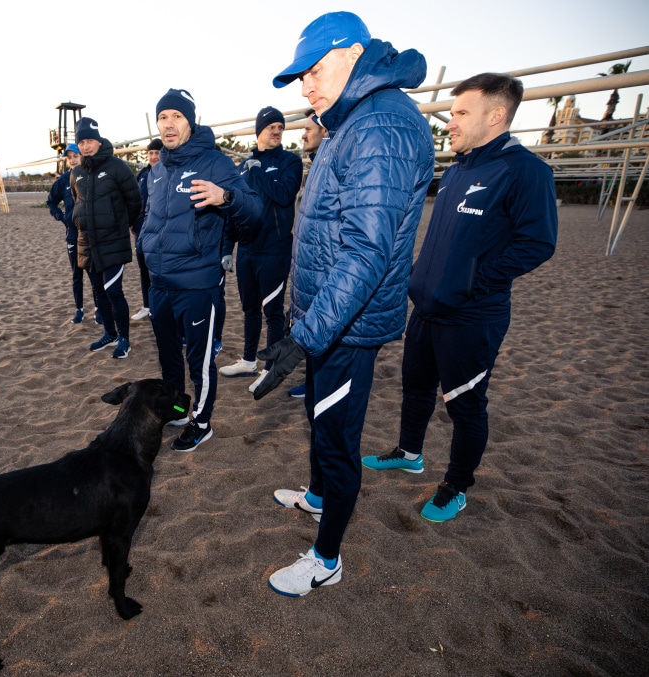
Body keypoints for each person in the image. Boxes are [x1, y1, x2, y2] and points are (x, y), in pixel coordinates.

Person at [252, 12, 434, 596]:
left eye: (313, 69)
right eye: (298, 75)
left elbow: (366, 251)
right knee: (319, 421)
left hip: (347, 324)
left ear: (353, 55)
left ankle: (326, 559)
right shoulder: (352, 121)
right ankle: (318, 497)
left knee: (336, 439)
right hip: (327, 315)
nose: (304, 85)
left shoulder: (379, 126)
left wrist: (304, 335)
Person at [361, 73, 557, 522]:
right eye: (452, 112)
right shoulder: (457, 170)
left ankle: (456, 485)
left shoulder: (525, 170)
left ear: (496, 116)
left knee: (465, 405)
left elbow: (537, 244)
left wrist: (470, 281)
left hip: (472, 316)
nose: (450, 122)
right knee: (414, 388)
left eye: (461, 113)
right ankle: (409, 453)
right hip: (427, 309)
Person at [137, 89, 262, 452]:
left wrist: (226, 197)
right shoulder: (157, 170)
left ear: (190, 121)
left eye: (176, 116)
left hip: (197, 284)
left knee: (199, 360)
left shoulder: (215, 164)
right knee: (168, 359)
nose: (169, 124)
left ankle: (202, 422)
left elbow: (254, 211)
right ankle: (177, 411)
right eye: (163, 117)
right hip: (159, 284)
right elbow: (151, 220)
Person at [219, 106, 303, 394]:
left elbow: (284, 195)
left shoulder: (290, 161)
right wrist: (228, 247)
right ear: (259, 132)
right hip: (248, 250)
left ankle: (270, 368)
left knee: (274, 311)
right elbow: (233, 209)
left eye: (280, 127)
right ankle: (248, 361)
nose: (277, 131)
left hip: (275, 249)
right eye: (271, 127)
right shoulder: (242, 167)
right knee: (250, 308)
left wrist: (261, 174)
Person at [70, 117, 142, 359]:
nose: (86, 146)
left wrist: (119, 224)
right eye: (81, 142)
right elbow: (76, 201)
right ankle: (109, 333)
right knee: (99, 292)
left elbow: (135, 202)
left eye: (90, 140)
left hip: (113, 241)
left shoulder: (118, 167)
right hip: (87, 243)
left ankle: (124, 339)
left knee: (114, 291)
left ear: (99, 142)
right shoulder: (76, 172)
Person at [288, 111, 327, 400]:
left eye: (308, 129)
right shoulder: (315, 165)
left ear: (325, 131)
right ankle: (312, 382)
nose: (303, 134)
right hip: (308, 268)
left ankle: (318, 384)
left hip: (325, 270)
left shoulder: (331, 165)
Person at [46, 143, 92, 324]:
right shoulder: (63, 180)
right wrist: (62, 217)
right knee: (77, 275)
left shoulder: (91, 177)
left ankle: (99, 310)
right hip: (72, 235)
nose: (73, 160)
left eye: (76, 156)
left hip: (90, 235)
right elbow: (51, 202)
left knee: (94, 274)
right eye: (69, 157)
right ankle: (79, 309)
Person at [130, 138, 163, 321]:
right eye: (150, 153)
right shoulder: (142, 174)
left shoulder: (168, 172)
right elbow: (132, 199)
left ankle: (160, 308)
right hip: (141, 231)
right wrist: (131, 222)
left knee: (159, 271)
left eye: (157, 152)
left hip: (160, 232)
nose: (153, 156)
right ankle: (147, 306)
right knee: (144, 270)